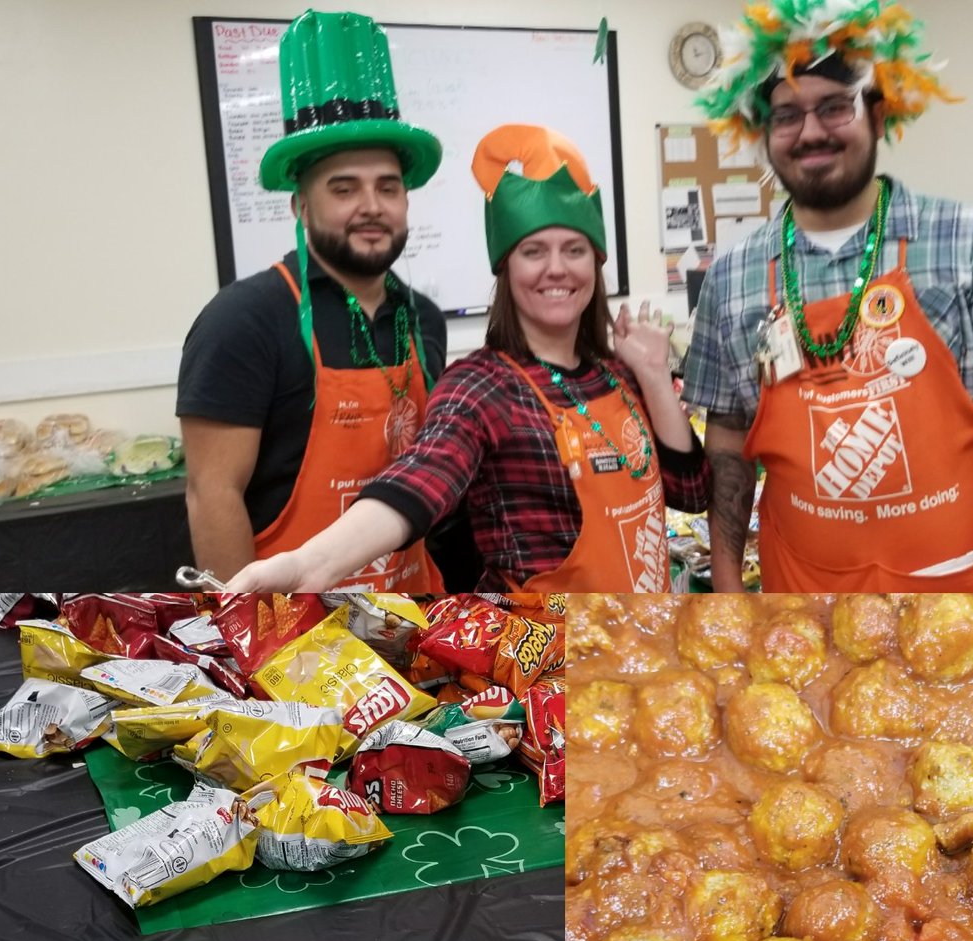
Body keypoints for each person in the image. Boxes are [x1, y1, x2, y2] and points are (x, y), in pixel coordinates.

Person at [686, 0, 973, 593]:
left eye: (833, 107)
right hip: (802, 609)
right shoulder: (733, 275)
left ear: (877, 117)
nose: (812, 132)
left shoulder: (972, 241)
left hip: (968, 597)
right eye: (787, 116)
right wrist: (725, 589)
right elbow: (726, 446)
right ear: (765, 135)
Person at [227, 124, 710, 593]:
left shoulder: (618, 371)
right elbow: (423, 477)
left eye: (575, 249)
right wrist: (310, 564)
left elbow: (692, 492)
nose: (557, 268)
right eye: (533, 251)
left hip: (640, 641)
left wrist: (651, 373)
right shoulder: (482, 386)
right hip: (548, 654)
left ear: (596, 263)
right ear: (506, 267)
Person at [177, 11, 473, 590]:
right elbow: (212, 494)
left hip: (411, 609)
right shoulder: (245, 320)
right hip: (295, 625)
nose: (372, 205)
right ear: (300, 207)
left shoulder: (423, 320)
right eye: (344, 188)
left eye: (388, 187)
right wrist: (252, 633)